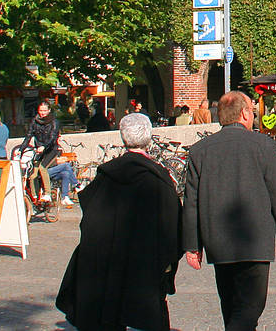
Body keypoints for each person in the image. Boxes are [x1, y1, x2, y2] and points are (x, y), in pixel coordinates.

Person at [55, 113, 183, 331]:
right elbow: (173, 229)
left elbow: (90, 221)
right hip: (144, 268)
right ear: (149, 137)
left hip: (107, 269)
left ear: (123, 138)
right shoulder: (159, 180)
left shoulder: (106, 176)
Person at [182, 91, 276, 331]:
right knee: (249, 309)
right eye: (252, 110)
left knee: (231, 307)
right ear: (244, 113)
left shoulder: (200, 150)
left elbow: (191, 202)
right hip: (254, 241)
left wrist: (192, 245)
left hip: (218, 241)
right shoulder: (264, 145)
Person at [22, 100, 77, 207]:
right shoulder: (35, 121)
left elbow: (52, 138)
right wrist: (21, 149)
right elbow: (29, 136)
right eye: (40, 110)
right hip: (39, 151)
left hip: (51, 150)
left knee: (43, 168)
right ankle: (35, 198)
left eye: (44, 111)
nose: (42, 113)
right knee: (32, 175)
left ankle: (47, 194)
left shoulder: (54, 122)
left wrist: (44, 146)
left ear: (49, 110)